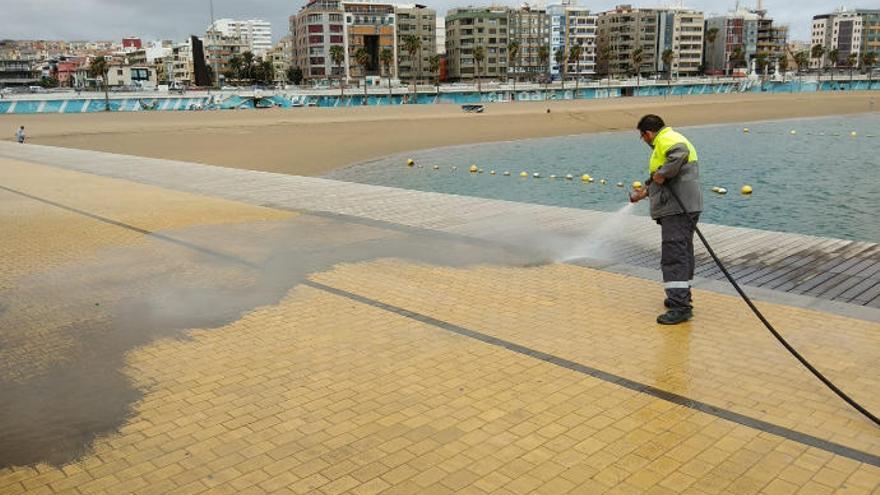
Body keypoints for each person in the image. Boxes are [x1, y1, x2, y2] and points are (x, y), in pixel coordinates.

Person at [629, 115, 703, 325]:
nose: (644, 141)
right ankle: (682, 295)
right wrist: (642, 193)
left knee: (674, 254)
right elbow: (659, 180)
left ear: (648, 133)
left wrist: (662, 173)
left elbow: (680, 154)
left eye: (642, 137)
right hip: (687, 206)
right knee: (683, 251)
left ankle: (680, 306)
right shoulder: (667, 140)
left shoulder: (666, 139)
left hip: (677, 209)